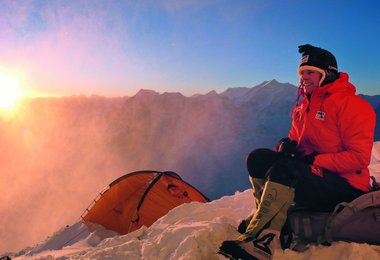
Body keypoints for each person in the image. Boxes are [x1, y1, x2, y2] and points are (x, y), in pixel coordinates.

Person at [218, 44, 376, 259]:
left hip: (346, 186)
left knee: (286, 170)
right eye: (302, 72)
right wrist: (287, 145)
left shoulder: (352, 106)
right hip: (315, 176)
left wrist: (314, 160)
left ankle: (264, 243)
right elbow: (297, 140)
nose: (304, 77)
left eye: (311, 72)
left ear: (327, 74)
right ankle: (265, 220)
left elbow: (358, 158)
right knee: (257, 158)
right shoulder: (303, 107)